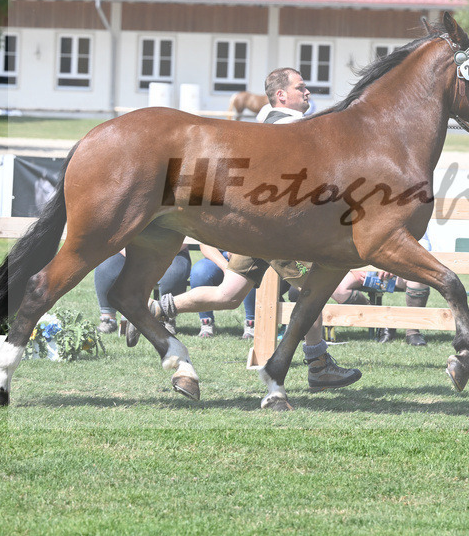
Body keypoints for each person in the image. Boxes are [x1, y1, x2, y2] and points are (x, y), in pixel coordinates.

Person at [151, 67, 362, 391]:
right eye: (300, 88)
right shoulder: (290, 128)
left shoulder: (270, 122)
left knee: (228, 295)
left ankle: (159, 308)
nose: (308, 93)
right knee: (314, 294)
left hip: (256, 231)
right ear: (281, 95)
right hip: (280, 235)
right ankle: (318, 366)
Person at [95, 247, 190, 334]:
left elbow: (184, 240)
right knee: (105, 268)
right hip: (130, 251)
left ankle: (167, 319)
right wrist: (132, 254)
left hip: (173, 251)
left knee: (174, 274)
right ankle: (108, 319)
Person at [190, 244, 257, 338]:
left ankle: (252, 323)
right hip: (219, 257)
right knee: (199, 272)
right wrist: (226, 268)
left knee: (253, 273)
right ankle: (206, 322)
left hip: (248, 257)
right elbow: (205, 246)